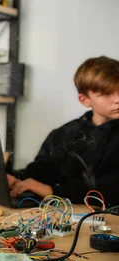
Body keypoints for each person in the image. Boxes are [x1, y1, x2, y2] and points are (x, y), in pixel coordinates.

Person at [8, 56, 119, 206]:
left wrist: (54, 192)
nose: (117, 99)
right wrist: (18, 179)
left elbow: (113, 185)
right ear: (85, 100)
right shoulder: (64, 133)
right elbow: (45, 168)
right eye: (106, 94)